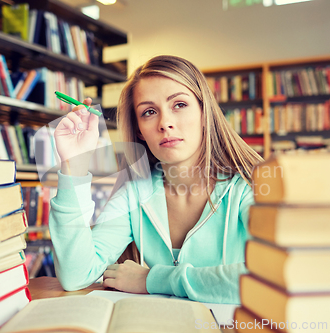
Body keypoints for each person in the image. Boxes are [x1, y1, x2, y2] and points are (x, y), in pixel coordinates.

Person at [50, 55, 263, 304]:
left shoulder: (249, 189)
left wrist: (153, 279)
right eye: (149, 112)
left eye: (179, 105)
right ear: (139, 130)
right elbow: (75, 274)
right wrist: (74, 164)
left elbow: (269, 278)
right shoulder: (133, 195)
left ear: (205, 113)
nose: (165, 123)